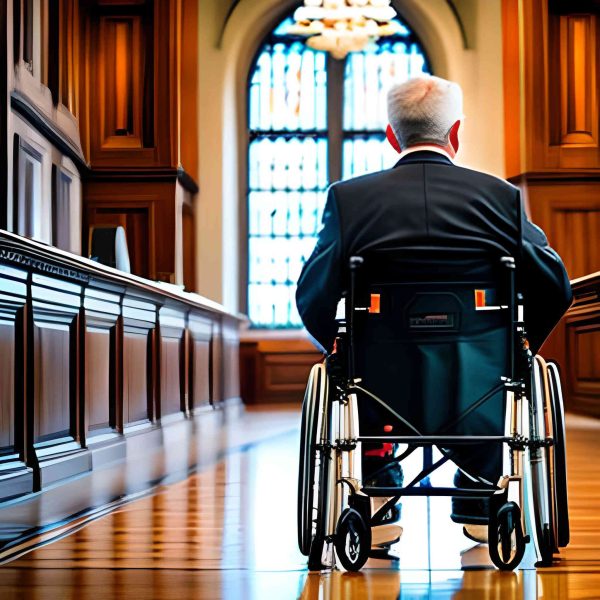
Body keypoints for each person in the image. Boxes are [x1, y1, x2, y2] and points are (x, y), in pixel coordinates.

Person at [295, 75, 572, 543]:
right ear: (455, 133)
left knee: (363, 377)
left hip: (380, 377)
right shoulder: (499, 198)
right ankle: (479, 494)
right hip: (480, 375)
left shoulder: (349, 199)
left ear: (391, 135)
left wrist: (336, 345)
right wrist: (521, 346)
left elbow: (311, 293)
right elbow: (554, 287)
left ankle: (378, 488)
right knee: (490, 377)